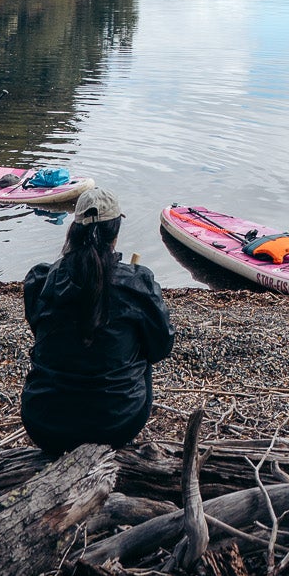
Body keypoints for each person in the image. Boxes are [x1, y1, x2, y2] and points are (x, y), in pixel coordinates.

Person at [20, 185, 174, 456]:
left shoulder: (42, 281)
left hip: (43, 423)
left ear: (74, 230)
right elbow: (161, 348)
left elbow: (39, 331)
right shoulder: (137, 283)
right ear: (115, 231)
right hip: (117, 424)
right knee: (142, 355)